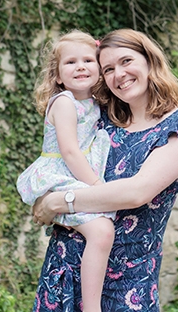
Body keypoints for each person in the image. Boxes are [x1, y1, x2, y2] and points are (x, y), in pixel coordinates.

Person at [31, 28, 178, 311]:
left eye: (127, 61)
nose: (119, 74)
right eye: (109, 69)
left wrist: (58, 202)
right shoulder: (101, 120)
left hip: (128, 285)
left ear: (150, 61)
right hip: (65, 270)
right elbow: (60, 166)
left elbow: (136, 192)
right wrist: (47, 200)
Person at [17, 30, 115, 312]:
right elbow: (70, 152)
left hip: (75, 176)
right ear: (58, 75)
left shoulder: (94, 104)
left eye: (88, 60)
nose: (81, 66)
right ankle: (92, 307)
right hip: (60, 177)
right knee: (101, 231)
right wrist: (98, 186)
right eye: (71, 62)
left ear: (99, 69)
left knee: (101, 231)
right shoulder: (64, 103)